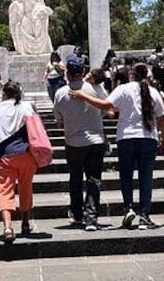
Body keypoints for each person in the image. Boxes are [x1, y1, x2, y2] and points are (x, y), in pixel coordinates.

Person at [70, 63, 164, 229]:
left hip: (126, 137)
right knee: (146, 178)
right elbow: (162, 118)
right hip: (148, 138)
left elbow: (105, 105)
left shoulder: (123, 89)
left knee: (126, 176)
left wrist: (82, 96)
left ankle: (128, 207)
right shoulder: (153, 92)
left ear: (131, 74)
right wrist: (163, 139)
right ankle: (144, 215)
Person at [0, 80, 38, 244]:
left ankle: (8, 227)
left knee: (4, 190)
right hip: (26, 153)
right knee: (26, 187)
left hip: (5, 156)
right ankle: (25, 223)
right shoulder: (26, 106)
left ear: (4, 94)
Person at [53, 61, 108, 231]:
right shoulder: (94, 89)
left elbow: (59, 121)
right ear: (83, 71)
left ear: (67, 73)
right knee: (94, 179)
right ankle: (91, 218)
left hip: (73, 142)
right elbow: (106, 108)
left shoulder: (60, 93)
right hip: (95, 140)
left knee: (75, 178)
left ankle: (77, 215)